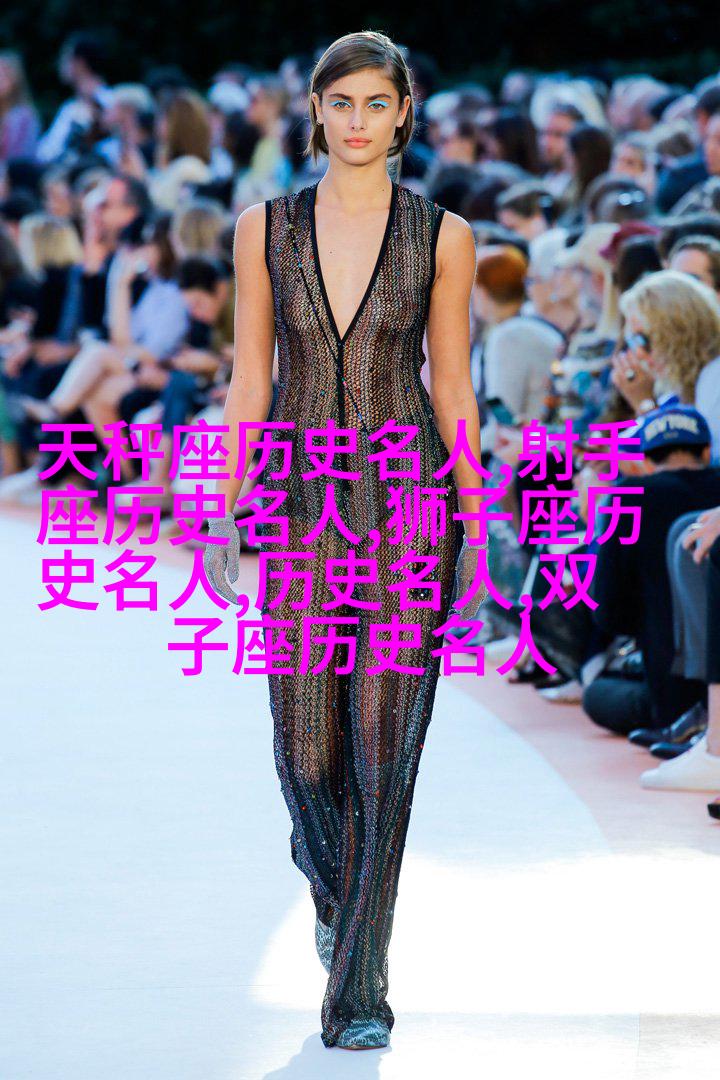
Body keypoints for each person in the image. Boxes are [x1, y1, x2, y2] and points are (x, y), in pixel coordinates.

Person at [202, 30, 484, 1051]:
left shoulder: (443, 235)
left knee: (384, 755)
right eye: (341, 101)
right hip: (299, 504)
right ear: (316, 111)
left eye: (376, 102)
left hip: (411, 504)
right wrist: (224, 504)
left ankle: (360, 988)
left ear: (404, 112)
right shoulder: (264, 229)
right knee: (306, 750)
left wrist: (476, 519)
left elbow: (452, 384)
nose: (358, 120)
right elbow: (251, 379)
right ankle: (335, 888)